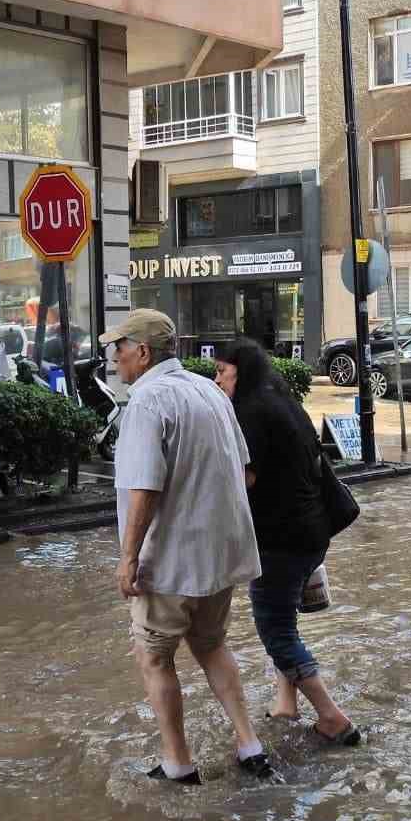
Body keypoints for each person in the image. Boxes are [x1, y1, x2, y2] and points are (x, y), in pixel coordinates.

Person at [102, 308, 274, 785]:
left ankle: (178, 764)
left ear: (142, 352)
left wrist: (129, 558)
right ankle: (250, 745)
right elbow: (243, 469)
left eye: (119, 349)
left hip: (171, 561)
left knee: (154, 657)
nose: (114, 359)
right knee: (212, 644)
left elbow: (144, 488)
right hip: (220, 556)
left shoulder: (147, 403)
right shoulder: (208, 390)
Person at [214, 340, 361, 747]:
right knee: (284, 620)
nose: (217, 380)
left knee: (276, 631)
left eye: (222, 372)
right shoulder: (283, 398)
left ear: (239, 372)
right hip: (313, 531)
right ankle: (286, 703)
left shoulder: (250, 412)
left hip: (280, 539)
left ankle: (332, 717)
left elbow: (246, 479)